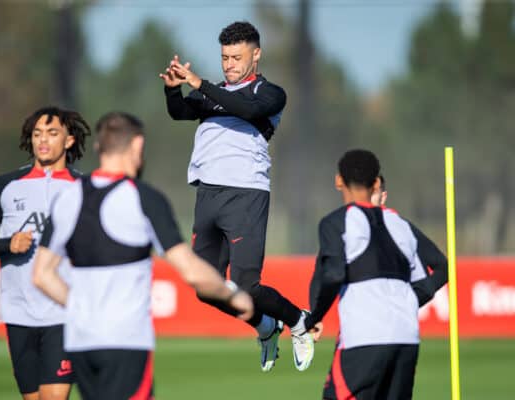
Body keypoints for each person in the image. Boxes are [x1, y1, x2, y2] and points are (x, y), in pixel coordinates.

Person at [32, 112, 253, 400]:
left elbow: (41, 275)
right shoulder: (142, 198)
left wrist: (82, 306)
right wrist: (232, 295)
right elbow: (192, 271)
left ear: (100, 148)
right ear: (137, 145)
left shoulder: (67, 198)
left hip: (80, 341)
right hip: (125, 341)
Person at [159, 20, 314, 372]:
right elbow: (180, 112)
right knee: (205, 285)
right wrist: (173, 90)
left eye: (236, 57)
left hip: (246, 193)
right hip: (207, 193)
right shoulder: (212, 92)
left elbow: (247, 111)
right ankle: (264, 327)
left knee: (249, 286)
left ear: (256, 55)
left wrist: (200, 83)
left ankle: (299, 321)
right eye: (225, 57)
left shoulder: (269, 93)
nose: (229, 64)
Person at [0, 106, 90, 400]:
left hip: (64, 312)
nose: (43, 140)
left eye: (52, 133)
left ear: (69, 140)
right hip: (18, 313)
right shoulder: (5, 186)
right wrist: (7, 245)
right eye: (37, 134)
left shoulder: (85, 188)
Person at [303, 150, 447, 400]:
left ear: (339, 181)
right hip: (407, 338)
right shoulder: (401, 225)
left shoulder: (337, 222)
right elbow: (440, 269)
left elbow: (333, 274)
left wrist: (313, 316)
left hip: (364, 338)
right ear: (377, 183)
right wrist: (407, 301)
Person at [371, 175, 448, 307]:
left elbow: (443, 268)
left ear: (383, 197)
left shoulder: (401, 229)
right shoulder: (346, 227)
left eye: (371, 193)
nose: (364, 198)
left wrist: (404, 307)